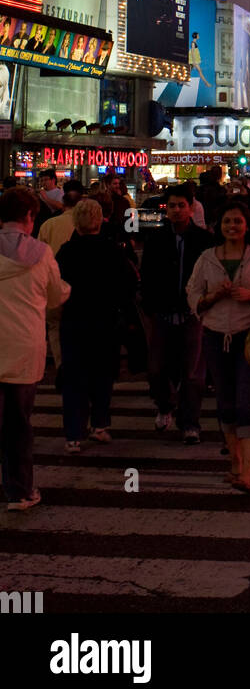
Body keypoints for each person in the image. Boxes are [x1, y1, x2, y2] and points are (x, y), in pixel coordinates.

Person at [186, 200, 250, 492]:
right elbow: (192, 294)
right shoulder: (206, 258)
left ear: (247, 226)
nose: (232, 226)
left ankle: (248, 473)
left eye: (238, 222)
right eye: (227, 221)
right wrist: (212, 297)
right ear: (219, 226)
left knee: (246, 401)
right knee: (226, 401)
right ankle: (236, 462)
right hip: (215, 337)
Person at [0, 186, 70, 509]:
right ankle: (20, 490)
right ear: (29, 216)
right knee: (19, 424)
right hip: (25, 348)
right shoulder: (42, 254)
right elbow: (55, 297)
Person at [56, 198, 138, 454]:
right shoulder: (112, 250)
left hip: (74, 320)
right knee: (102, 375)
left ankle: (73, 433)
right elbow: (129, 285)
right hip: (106, 321)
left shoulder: (66, 252)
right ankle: (99, 424)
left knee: (74, 378)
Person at [140, 186, 212, 443]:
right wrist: (149, 306)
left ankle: (190, 423)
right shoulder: (156, 239)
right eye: (172, 206)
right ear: (166, 209)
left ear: (191, 208)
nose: (177, 210)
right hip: (162, 313)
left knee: (192, 373)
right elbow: (146, 275)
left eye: (182, 205)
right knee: (156, 368)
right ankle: (165, 403)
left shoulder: (204, 241)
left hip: (193, 314)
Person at [39, 180, 85, 384]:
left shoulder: (49, 225)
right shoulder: (85, 225)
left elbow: (39, 256)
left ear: (64, 204)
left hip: (53, 283)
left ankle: (61, 365)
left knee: (55, 326)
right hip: (81, 284)